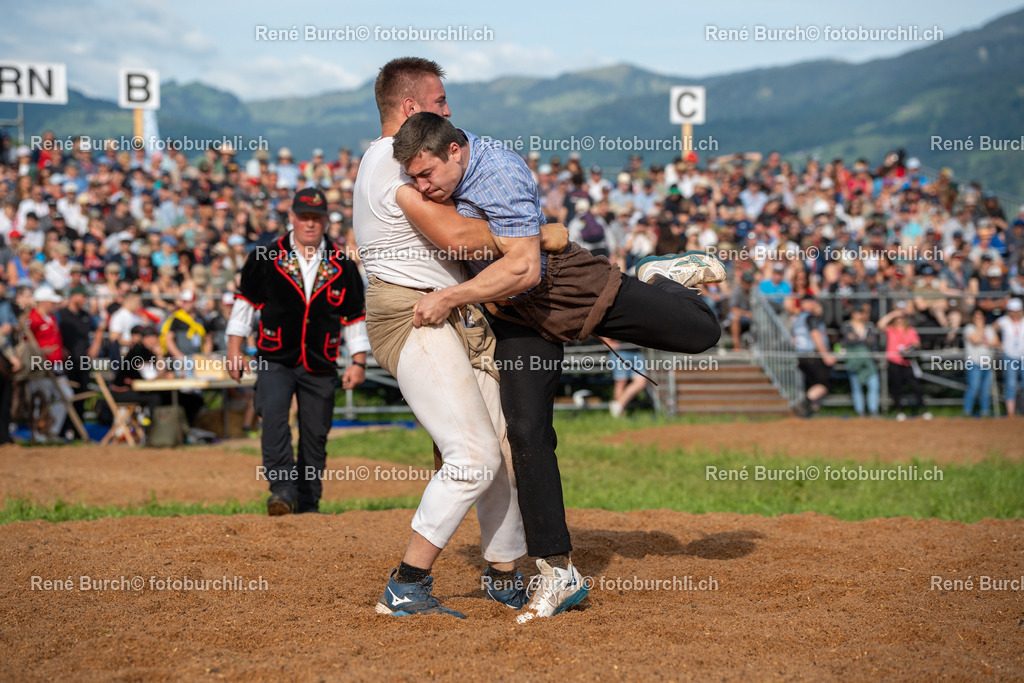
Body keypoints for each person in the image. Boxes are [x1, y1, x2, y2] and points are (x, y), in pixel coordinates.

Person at [392, 111, 723, 624]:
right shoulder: (438, 176)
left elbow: (522, 268)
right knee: (526, 432)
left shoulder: (498, 171)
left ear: (454, 151)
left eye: (426, 174)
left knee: (702, 333)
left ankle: (659, 275)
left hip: (565, 286)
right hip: (515, 313)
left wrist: (452, 296)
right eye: (413, 177)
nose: (420, 186)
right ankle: (557, 571)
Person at [354, 57, 537, 619]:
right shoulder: (392, 159)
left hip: (446, 314)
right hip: (412, 314)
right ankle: (406, 582)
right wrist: (533, 235)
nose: (449, 109)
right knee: (474, 456)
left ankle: (504, 573)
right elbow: (462, 239)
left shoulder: (393, 159)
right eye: (439, 99)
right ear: (410, 108)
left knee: (500, 449)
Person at [226, 187, 369, 515]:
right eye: (303, 217)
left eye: (316, 219)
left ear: (325, 222)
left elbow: (353, 318)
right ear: (292, 218)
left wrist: (358, 361)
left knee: (316, 433)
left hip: (321, 360)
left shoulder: (343, 266)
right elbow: (244, 305)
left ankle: (308, 503)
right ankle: (282, 490)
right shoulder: (264, 257)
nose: (309, 224)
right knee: (274, 416)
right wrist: (234, 348)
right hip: (275, 356)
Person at [880, 304, 932, 421]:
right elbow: (880, 324)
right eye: (897, 318)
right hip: (894, 361)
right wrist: (894, 313)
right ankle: (899, 410)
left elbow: (916, 342)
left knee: (916, 386)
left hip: (907, 361)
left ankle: (923, 409)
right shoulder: (890, 329)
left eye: (902, 317)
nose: (899, 320)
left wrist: (911, 347)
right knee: (897, 387)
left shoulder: (910, 330)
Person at [791, 295, 834, 416]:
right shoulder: (810, 318)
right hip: (812, 355)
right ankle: (804, 403)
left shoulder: (797, 319)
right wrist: (825, 355)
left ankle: (812, 410)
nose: (814, 304)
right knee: (824, 384)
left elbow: (794, 338)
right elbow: (816, 336)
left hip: (801, 355)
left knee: (813, 383)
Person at [840, 303, 881, 417]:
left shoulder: (869, 326)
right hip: (854, 360)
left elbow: (873, 342)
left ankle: (873, 410)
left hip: (869, 360)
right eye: (856, 312)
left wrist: (857, 340)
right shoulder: (846, 326)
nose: (859, 315)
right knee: (856, 386)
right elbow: (848, 341)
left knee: (874, 385)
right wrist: (863, 342)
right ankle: (860, 412)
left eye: (860, 312)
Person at [962, 307, 998, 417]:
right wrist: (980, 329)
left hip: (987, 363)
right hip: (974, 363)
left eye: (980, 317)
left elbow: (996, 342)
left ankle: (985, 412)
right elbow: (975, 340)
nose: (978, 319)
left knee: (986, 390)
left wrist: (984, 340)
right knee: (974, 388)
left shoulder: (990, 329)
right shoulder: (969, 328)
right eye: (976, 317)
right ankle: (967, 411)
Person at [604, 338, 648, 417]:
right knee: (621, 382)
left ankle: (618, 406)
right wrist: (607, 342)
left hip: (636, 352)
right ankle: (619, 414)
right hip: (619, 351)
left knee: (641, 382)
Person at [995, 298, 1024, 417]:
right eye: (1012, 310)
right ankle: (1011, 414)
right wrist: (997, 343)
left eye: (1016, 310)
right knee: (1010, 384)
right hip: (1009, 355)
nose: (1014, 313)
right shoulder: (1004, 321)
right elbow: (991, 329)